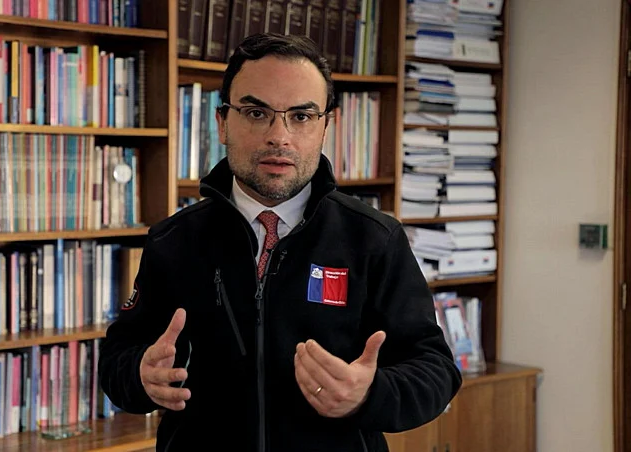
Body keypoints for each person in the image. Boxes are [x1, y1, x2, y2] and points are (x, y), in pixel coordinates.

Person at [98, 33, 462, 452]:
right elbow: (118, 358)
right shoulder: (173, 240)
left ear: (325, 127)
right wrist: (140, 377)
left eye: (301, 116)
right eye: (257, 113)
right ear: (222, 123)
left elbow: (436, 369)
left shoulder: (375, 240)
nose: (279, 136)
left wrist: (370, 393)